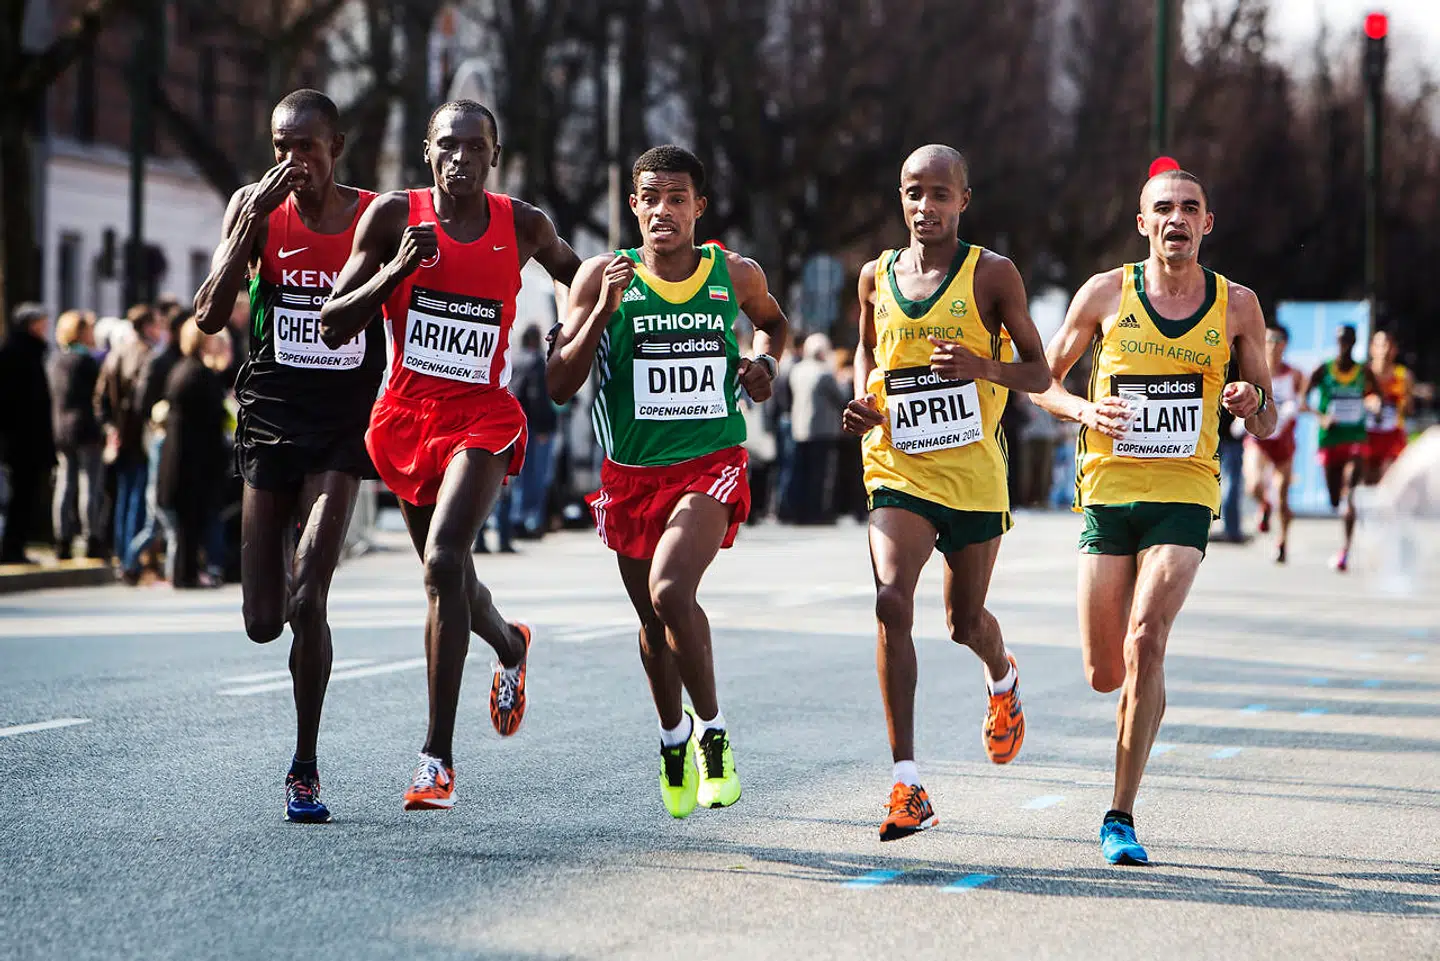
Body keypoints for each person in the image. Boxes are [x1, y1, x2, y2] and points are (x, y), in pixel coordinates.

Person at [322, 99, 581, 810]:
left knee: (443, 560)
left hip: (484, 416)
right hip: (405, 416)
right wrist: (396, 270)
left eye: (475, 147)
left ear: (494, 156)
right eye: (447, 146)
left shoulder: (522, 223)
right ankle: (511, 643)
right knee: (450, 578)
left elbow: (575, 271)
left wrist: (570, 325)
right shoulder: (390, 219)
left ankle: (436, 757)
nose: (460, 158)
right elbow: (333, 320)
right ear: (427, 152)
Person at [1033, 167, 1276, 865]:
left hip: (1186, 491)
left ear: (1208, 223)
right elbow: (1039, 379)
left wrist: (1249, 403)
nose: (1177, 218)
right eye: (1163, 208)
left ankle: (1120, 813)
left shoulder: (1238, 306)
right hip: (1108, 492)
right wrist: (1084, 408)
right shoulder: (1105, 293)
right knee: (1105, 670)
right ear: (1143, 224)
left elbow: (1268, 416)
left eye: (1190, 208)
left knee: (1146, 638)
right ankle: (1143, 696)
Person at [547, 145, 788, 818]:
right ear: (633, 206)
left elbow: (772, 322)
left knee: (671, 588)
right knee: (653, 623)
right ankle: (672, 739)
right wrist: (600, 311)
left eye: (677, 198)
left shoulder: (731, 273)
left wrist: (765, 364)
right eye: (650, 197)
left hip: (710, 461)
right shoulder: (602, 275)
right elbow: (559, 384)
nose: (663, 210)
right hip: (630, 474)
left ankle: (714, 735)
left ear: (698, 208)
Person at [842, 145, 1049, 841]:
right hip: (897, 464)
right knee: (889, 599)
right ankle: (906, 782)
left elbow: (1040, 369)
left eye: (938, 194)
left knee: (964, 621)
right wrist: (863, 398)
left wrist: (979, 363)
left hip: (971, 473)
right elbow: (868, 351)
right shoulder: (875, 275)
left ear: (964, 199)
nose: (924, 207)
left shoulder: (992, 274)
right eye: (912, 193)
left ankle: (1002, 675)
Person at [193, 89, 387, 820]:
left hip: (342, 422)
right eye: (281, 146)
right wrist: (245, 229)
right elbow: (210, 315)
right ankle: (277, 555)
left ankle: (304, 763)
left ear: (336, 147)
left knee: (310, 599)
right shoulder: (253, 205)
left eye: (307, 147)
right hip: (269, 415)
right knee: (262, 620)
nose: (292, 161)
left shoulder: (375, 212)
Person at [156, 321, 231, 588]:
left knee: (189, 522)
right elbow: (212, 417)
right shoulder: (197, 374)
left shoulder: (186, 370)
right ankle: (185, 573)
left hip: (184, 456)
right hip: (192, 459)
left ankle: (185, 571)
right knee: (189, 521)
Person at [97, 303, 166, 581]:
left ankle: (122, 556)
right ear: (147, 327)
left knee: (125, 498)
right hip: (139, 438)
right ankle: (131, 560)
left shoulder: (115, 355)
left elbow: (100, 398)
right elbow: (143, 402)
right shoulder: (147, 356)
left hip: (121, 437)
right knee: (138, 500)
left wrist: (111, 428)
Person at [1305, 325, 1379, 572]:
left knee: (1350, 494)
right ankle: (1343, 509)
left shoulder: (1364, 371)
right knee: (1335, 497)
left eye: (1348, 340)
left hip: (1355, 438)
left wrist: (1374, 404)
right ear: (1336, 342)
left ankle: (1345, 550)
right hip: (1330, 440)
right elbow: (1304, 399)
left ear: (1354, 342)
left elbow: (1376, 396)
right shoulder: (1323, 369)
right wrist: (1321, 416)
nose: (1344, 345)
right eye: (1340, 340)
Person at [125, 307, 190, 581]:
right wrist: (160, 414)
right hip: (161, 436)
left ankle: (137, 563)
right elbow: (142, 402)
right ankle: (131, 563)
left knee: (160, 508)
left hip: (174, 436)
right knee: (158, 508)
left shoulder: (176, 357)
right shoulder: (161, 359)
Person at [0, 303, 56, 565]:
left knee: (25, 495)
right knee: (20, 496)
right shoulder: (17, 354)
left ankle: (16, 545)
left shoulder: (32, 353)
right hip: (22, 439)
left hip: (28, 438)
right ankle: (12, 547)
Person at [1243, 324, 1305, 563]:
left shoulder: (1295, 374)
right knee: (1253, 485)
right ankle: (1264, 505)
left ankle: (1282, 540)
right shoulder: (1254, 371)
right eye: (1268, 340)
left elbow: (1299, 401)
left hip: (1283, 440)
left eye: (1278, 341)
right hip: (1259, 438)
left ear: (1285, 345)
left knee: (1282, 495)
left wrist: (1291, 408)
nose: (1273, 346)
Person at [48, 310, 104, 560]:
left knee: (65, 483)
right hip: (86, 428)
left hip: (61, 428)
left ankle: (62, 538)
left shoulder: (56, 360)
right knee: (89, 484)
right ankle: (91, 536)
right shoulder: (86, 362)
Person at [787, 332, 848, 524]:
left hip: (800, 428)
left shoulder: (796, 370)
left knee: (801, 473)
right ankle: (819, 513)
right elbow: (841, 399)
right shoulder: (824, 374)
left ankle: (799, 512)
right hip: (823, 430)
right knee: (821, 476)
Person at [509, 323, 558, 539]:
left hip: (517, 424)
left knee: (519, 476)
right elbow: (538, 396)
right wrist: (544, 427)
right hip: (536, 427)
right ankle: (531, 521)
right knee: (537, 477)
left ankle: (515, 518)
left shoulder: (516, 359)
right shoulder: (537, 361)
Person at [1365, 328, 1411, 484]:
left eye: (1388, 345)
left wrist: (1400, 405)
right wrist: (1369, 402)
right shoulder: (1364, 374)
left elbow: (1409, 408)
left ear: (1394, 350)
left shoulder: (1403, 376)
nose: (1384, 350)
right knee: (1367, 484)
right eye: (1379, 345)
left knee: (1389, 483)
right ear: (1372, 349)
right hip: (1368, 435)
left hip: (1393, 436)